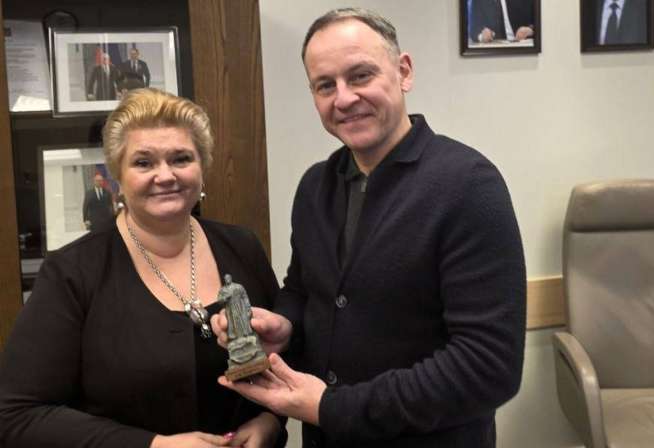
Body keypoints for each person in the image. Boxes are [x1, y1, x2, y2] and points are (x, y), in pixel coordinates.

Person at [212, 7, 526, 448]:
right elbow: (304, 291)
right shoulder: (315, 187)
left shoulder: (468, 185)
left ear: (404, 72)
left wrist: (332, 408)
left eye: (360, 76)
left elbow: (488, 367)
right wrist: (285, 326)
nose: (343, 98)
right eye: (325, 85)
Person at [0, 88, 285, 448]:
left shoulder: (243, 247)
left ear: (203, 167)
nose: (165, 175)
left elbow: (285, 356)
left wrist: (269, 421)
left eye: (181, 158)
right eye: (144, 163)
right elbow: (15, 415)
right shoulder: (72, 273)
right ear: (117, 175)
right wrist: (154, 445)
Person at [469, 0, 535, 44]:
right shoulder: (479, 1)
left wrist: (530, 30)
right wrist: (482, 36)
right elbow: (474, 30)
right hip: (496, 50)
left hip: (523, 46)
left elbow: (538, 21)